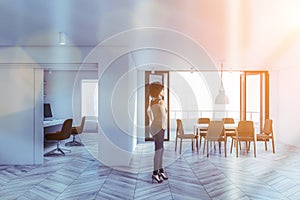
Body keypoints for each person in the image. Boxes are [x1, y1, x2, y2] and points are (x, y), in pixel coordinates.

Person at [148, 82, 168, 183]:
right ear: (159, 91)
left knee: (160, 149)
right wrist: (163, 127)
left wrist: (154, 121)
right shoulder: (161, 102)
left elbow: (149, 113)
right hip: (159, 128)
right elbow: (164, 116)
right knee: (158, 150)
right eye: (162, 89)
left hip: (154, 127)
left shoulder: (152, 101)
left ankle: (161, 170)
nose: (163, 91)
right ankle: (155, 173)